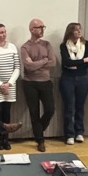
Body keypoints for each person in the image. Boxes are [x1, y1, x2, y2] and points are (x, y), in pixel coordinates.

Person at [19, 18, 57, 151]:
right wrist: (44, 60)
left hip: (45, 82)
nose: (42, 29)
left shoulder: (47, 44)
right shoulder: (25, 47)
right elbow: (28, 67)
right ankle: (40, 140)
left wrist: (36, 63)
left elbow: (53, 63)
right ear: (32, 29)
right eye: (39, 27)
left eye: (43, 27)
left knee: (50, 110)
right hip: (30, 83)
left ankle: (38, 129)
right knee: (34, 112)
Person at [59, 21, 88, 145]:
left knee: (80, 106)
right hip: (67, 79)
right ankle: (69, 134)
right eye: (76, 29)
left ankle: (79, 132)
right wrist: (83, 60)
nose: (79, 31)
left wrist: (75, 64)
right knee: (69, 107)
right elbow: (66, 63)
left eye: (80, 29)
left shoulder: (86, 44)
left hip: (82, 78)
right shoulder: (64, 46)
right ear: (70, 32)